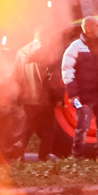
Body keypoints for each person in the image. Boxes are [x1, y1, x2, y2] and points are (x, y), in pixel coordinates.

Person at [61, 16, 98, 159]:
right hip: (84, 97)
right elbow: (67, 70)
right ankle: (77, 155)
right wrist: (73, 94)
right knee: (82, 127)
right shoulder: (75, 47)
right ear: (89, 28)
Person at [14, 28, 62, 161]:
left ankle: (20, 148)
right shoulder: (48, 52)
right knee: (49, 129)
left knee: (30, 124)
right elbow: (54, 78)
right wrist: (58, 97)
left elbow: (15, 76)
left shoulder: (20, 52)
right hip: (43, 98)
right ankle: (43, 157)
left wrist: (19, 96)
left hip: (26, 98)